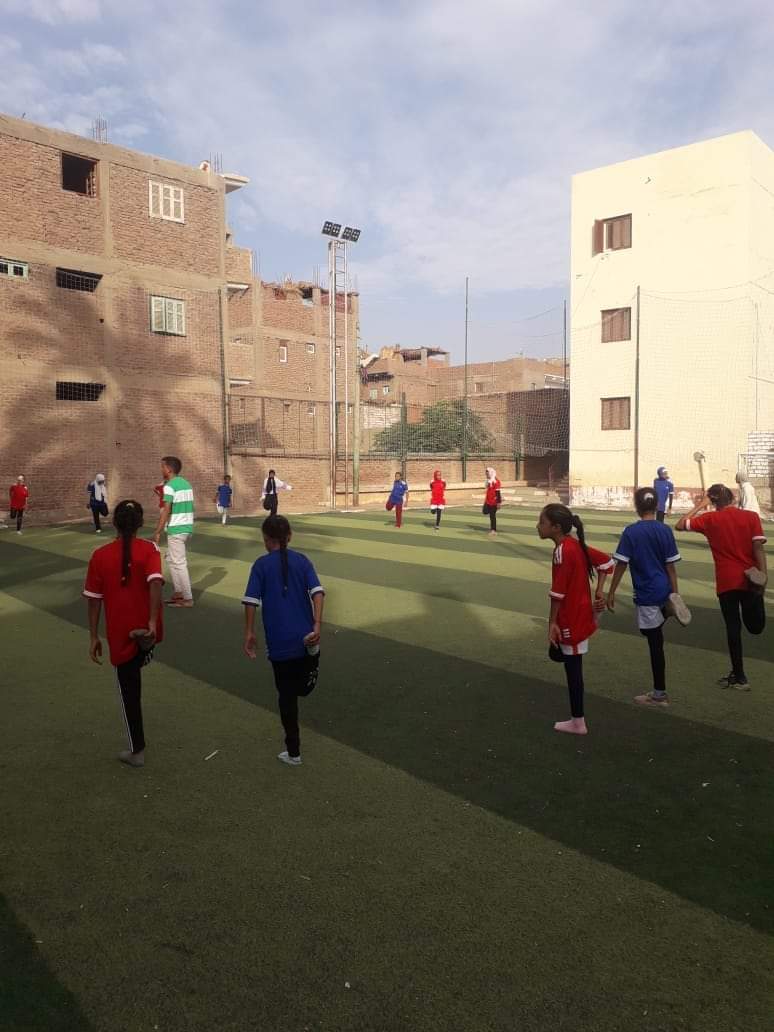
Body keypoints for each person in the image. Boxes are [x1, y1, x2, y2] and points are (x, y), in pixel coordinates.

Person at [83, 500, 164, 768]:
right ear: (140, 524)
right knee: (138, 664)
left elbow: (94, 600)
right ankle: (146, 645)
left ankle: (137, 751)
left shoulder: (100, 555)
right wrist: (151, 620)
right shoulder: (150, 549)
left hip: (119, 632)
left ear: (114, 523)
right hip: (148, 626)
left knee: (129, 690)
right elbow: (155, 582)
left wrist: (93, 636)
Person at [242, 515, 325, 766]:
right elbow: (318, 592)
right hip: (305, 635)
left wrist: (249, 632)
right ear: (289, 536)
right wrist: (317, 623)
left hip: (279, 642)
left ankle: (293, 752)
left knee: (287, 696)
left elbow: (250, 602)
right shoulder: (302, 561)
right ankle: (314, 656)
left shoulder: (261, 565)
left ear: (267, 540)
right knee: (302, 687)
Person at [606, 487, 691, 708]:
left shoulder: (631, 532)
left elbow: (621, 564)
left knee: (652, 639)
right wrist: (675, 595)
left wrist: (611, 591)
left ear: (637, 506)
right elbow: (670, 566)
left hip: (647, 592)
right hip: (664, 589)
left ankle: (659, 694)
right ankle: (667, 609)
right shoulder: (664, 530)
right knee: (653, 634)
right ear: (656, 505)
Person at [676, 484, 767, 690]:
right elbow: (758, 548)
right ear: (732, 498)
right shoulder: (751, 517)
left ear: (713, 501)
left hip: (726, 581)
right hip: (750, 579)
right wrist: (764, 576)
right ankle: (739, 675)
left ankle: (740, 676)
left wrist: (701, 505)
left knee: (733, 628)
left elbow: (680, 525)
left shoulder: (709, 519)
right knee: (756, 626)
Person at [537, 503, 613, 735]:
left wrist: (552, 623)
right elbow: (607, 563)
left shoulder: (563, 550)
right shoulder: (574, 545)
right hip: (579, 614)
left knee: (573, 669)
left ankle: (578, 722)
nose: (538, 526)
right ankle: (577, 719)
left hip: (573, 617)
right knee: (568, 663)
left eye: (542, 522)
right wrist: (599, 591)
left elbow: (557, 593)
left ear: (556, 527)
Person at [154, 456, 195, 608]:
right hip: (186, 527)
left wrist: (158, 531)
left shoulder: (170, 486)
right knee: (171, 559)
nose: (161, 469)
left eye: (162, 467)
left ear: (169, 469)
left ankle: (187, 598)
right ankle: (179, 593)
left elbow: (166, 510)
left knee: (179, 563)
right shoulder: (186, 484)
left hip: (177, 529)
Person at [483, 467, 502, 535]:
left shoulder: (496, 481)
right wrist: (487, 482)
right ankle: (493, 529)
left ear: (491, 473)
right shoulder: (488, 480)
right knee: (485, 511)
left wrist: (498, 503)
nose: (486, 475)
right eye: (486, 474)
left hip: (494, 502)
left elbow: (498, 492)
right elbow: (485, 487)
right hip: (488, 500)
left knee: (492, 516)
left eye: (487, 473)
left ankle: (493, 530)